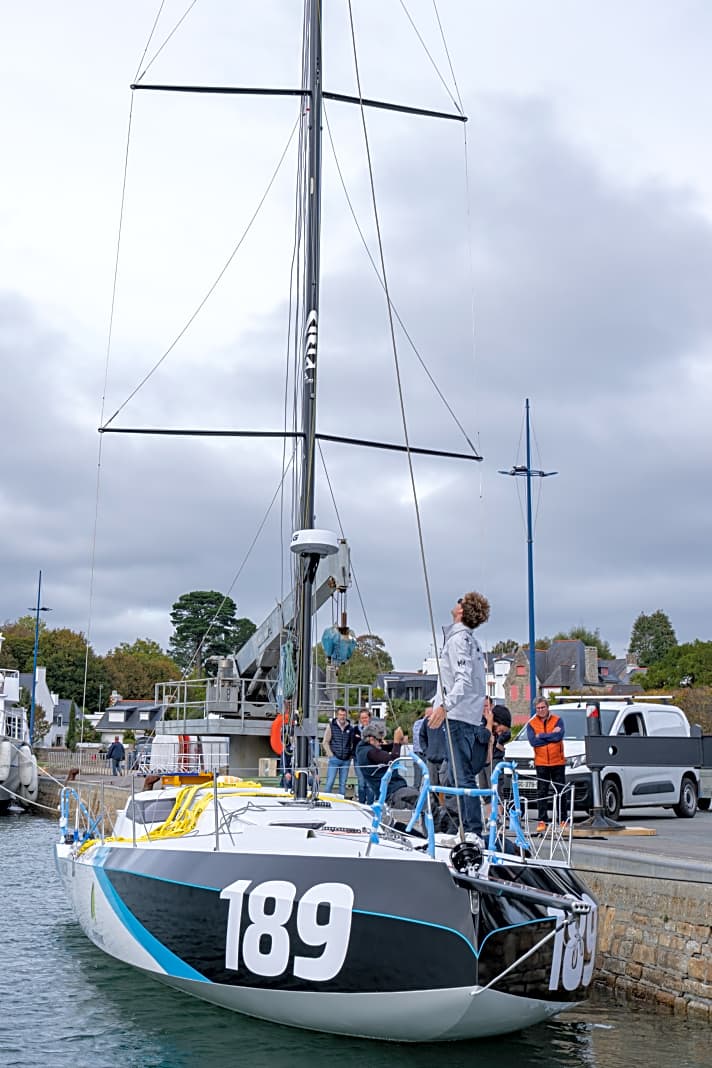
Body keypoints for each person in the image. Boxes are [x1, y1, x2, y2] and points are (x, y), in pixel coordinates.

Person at [426, 591, 492, 838]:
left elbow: (462, 681)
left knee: (461, 778)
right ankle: (467, 827)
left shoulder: (458, 640)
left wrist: (444, 707)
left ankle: (473, 830)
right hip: (468, 718)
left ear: (462, 610)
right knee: (456, 776)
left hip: (458, 719)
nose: (455, 603)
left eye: (459, 600)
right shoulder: (471, 642)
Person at [526, 697, 568, 831]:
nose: (540, 710)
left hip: (558, 761)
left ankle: (563, 819)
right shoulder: (531, 724)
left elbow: (558, 737)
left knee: (560, 792)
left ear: (547, 707)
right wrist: (549, 735)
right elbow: (533, 742)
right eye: (538, 708)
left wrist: (542, 736)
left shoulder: (557, 720)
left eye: (543, 707)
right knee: (542, 793)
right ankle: (542, 820)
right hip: (541, 762)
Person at [354, 720, 417, 809]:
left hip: (393, 789)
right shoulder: (370, 752)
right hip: (392, 792)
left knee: (420, 799)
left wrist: (398, 742)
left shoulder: (363, 747)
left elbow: (384, 748)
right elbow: (393, 761)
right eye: (379, 740)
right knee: (424, 799)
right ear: (371, 739)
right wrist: (396, 742)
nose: (381, 742)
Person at [323, 707, 355, 795]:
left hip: (346, 760)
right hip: (334, 759)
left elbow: (352, 743)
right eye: (340, 715)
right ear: (337, 715)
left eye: (344, 715)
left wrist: (350, 756)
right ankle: (326, 800)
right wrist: (331, 755)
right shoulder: (331, 726)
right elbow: (325, 742)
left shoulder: (350, 728)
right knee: (329, 782)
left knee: (343, 784)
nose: (342, 717)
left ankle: (341, 803)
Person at [352, 709, 374, 803]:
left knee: (369, 782)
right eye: (362, 718)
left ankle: (370, 804)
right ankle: (361, 803)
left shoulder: (374, 729)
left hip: (370, 759)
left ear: (369, 718)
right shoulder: (355, 729)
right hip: (358, 759)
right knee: (361, 782)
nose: (364, 719)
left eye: (366, 717)